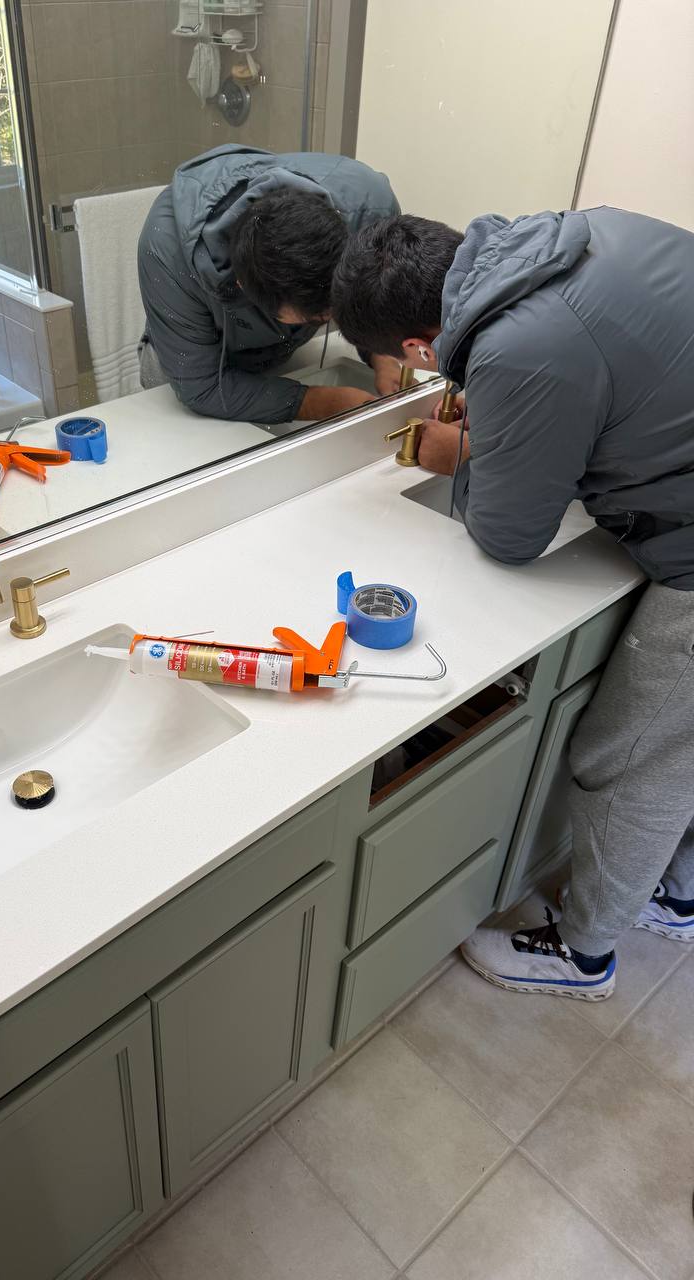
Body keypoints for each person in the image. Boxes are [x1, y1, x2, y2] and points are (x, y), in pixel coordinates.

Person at [331, 207, 694, 1000]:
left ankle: (585, 957)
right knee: (684, 743)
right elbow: (612, 377)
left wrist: (465, 454)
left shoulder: (522, 349)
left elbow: (509, 537)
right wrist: (502, 413)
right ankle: (680, 892)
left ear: (417, 349)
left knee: (633, 759)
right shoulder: (563, 238)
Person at [137, 144, 400, 426]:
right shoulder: (166, 252)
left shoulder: (369, 206)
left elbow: (371, 293)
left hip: (281, 355)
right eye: (318, 317)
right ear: (244, 287)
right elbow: (202, 387)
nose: (334, 319)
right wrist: (323, 404)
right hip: (195, 371)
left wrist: (381, 353)